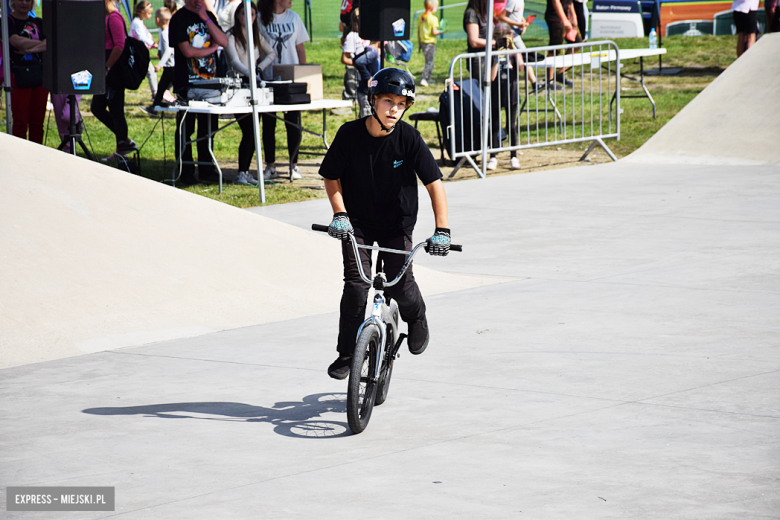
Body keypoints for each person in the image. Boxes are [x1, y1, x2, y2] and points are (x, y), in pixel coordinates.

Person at [318, 68, 451, 380]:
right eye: (388, 101)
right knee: (355, 287)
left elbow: (434, 185)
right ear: (372, 100)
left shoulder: (409, 139)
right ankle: (348, 353)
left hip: (396, 223)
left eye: (402, 103)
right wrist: (339, 214)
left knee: (400, 284)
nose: (395, 109)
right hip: (357, 224)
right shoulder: (349, 135)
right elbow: (331, 176)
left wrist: (442, 230)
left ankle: (416, 316)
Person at [170, 0, 229, 185]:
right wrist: (211, 49)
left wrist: (205, 17)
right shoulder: (178, 19)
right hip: (187, 83)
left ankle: (207, 169)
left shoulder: (208, 16)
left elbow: (224, 41)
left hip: (210, 83)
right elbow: (187, 51)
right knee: (186, 129)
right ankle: (185, 171)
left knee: (208, 129)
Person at [224, 0, 277, 185]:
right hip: (239, 87)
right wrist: (250, 73)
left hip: (254, 85)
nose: (248, 17)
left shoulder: (256, 35)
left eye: (252, 14)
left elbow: (271, 53)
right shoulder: (231, 36)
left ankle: (245, 172)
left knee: (254, 131)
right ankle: (242, 172)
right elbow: (234, 61)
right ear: (237, 15)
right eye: (244, 14)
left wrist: (259, 68)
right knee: (248, 130)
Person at [258, 0, 309, 181]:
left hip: (291, 82)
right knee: (269, 125)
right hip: (269, 79)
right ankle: (270, 166)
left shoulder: (294, 18)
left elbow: (300, 48)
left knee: (293, 124)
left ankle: (293, 166)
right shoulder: (259, 19)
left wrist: (304, 76)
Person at [92, 0, 138, 155]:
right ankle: (124, 141)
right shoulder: (104, 17)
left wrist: (107, 67)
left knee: (116, 110)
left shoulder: (114, 17)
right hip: (106, 70)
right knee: (97, 107)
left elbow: (119, 45)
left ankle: (122, 149)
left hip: (114, 72)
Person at [7, 0, 48, 143]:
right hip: (17, 75)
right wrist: (40, 45)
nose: (24, 3)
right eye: (20, 0)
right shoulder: (8, 21)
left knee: (37, 122)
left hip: (39, 76)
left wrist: (29, 49)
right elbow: (15, 41)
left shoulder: (39, 22)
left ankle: (37, 155)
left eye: (28, 0)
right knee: (20, 121)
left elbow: (50, 43)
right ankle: (20, 157)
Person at [487, 23, 521, 171]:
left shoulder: (513, 53)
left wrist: (514, 50)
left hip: (511, 92)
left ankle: (514, 156)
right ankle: (493, 156)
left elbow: (521, 67)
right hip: (496, 93)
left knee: (511, 125)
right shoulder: (491, 53)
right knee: (495, 125)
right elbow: (491, 77)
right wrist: (496, 58)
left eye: (506, 40)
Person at [496, 0, 540, 90]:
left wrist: (523, 23)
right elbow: (502, 16)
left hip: (516, 34)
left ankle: (534, 83)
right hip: (510, 35)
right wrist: (518, 24)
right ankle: (534, 83)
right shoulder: (513, 1)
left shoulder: (520, 1)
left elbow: (518, 14)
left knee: (523, 57)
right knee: (524, 56)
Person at [130, 0, 159, 113]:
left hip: (141, 52)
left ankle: (155, 94)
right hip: (137, 53)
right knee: (149, 72)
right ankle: (155, 94)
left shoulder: (139, 21)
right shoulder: (137, 22)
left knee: (149, 72)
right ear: (142, 12)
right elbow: (141, 36)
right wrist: (152, 44)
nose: (150, 16)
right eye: (149, 13)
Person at [544, 0, 579, 88]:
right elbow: (556, 1)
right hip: (555, 16)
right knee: (555, 47)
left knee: (577, 43)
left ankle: (560, 73)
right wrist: (564, 20)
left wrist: (573, 16)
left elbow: (570, 2)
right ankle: (550, 80)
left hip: (566, 15)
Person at [341, 7, 368, 108]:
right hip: (356, 71)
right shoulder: (352, 36)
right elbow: (344, 58)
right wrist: (359, 63)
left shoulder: (369, 36)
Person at [151, 7, 177, 110]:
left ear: (157, 20)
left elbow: (168, 51)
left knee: (177, 88)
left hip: (172, 66)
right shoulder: (166, 31)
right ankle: (155, 106)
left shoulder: (165, 33)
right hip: (169, 66)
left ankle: (184, 104)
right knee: (161, 87)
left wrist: (160, 64)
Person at [462, 0, 492, 77]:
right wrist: (495, 42)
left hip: (490, 57)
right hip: (479, 60)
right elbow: (474, 41)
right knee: (480, 87)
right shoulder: (472, 13)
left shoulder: (487, 12)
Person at [418, 0, 443, 87]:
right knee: (429, 62)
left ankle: (428, 78)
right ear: (432, 7)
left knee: (429, 61)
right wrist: (442, 31)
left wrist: (419, 43)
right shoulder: (433, 19)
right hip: (430, 43)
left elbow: (418, 31)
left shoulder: (422, 17)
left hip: (423, 42)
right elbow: (434, 32)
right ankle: (424, 78)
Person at [352, 40, 380, 118]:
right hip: (366, 92)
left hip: (369, 92)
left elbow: (355, 60)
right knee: (366, 116)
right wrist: (368, 77)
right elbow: (358, 62)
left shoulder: (372, 51)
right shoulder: (372, 52)